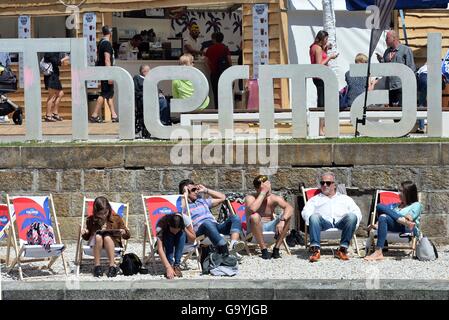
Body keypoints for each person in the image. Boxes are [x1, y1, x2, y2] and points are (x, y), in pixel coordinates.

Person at [301, 172, 362, 262]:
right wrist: (313, 221)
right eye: (322, 183)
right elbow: (306, 212)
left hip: (341, 222)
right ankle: (316, 250)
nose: (325, 185)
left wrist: (353, 225)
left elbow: (357, 212)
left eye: (328, 183)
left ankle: (342, 250)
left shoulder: (345, 198)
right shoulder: (315, 199)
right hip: (324, 223)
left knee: (352, 216)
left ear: (334, 185)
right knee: (313, 217)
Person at [179, 179, 245, 257]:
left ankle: (233, 245)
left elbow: (223, 197)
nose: (196, 191)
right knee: (207, 223)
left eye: (196, 189)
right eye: (193, 190)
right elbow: (179, 211)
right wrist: (184, 196)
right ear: (185, 191)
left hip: (215, 226)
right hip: (200, 231)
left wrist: (206, 190)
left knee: (235, 217)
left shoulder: (202, 201)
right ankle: (224, 251)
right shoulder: (183, 204)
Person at [364, 181, 422, 261]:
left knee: (384, 215)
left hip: (408, 229)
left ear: (409, 193)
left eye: (402, 191)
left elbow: (409, 218)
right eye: (399, 190)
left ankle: (378, 252)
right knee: (380, 208)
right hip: (401, 225)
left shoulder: (416, 205)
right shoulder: (396, 205)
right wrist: (377, 224)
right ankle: (378, 252)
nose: (399, 193)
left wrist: (404, 220)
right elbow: (381, 208)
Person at [245, 175, 293, 259]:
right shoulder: (250, 197)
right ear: (257, 189)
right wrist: (263, 193)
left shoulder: (273, 198)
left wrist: (282, 220)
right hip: (253, 231)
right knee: (255, 216)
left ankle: (276, 249)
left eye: (268, 186)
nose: (268, 189)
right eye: (265, 188)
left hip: (270, 227)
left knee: (287, 215)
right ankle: (264, 250)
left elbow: (290, 208)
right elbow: (253, 209)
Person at [81, 196, 130, 277]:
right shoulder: (91, 220)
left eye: (105, 212)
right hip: (96, 243)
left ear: (109, 209)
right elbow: (87, 237)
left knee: (107, 236)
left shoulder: (116, 218)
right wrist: (85, 232)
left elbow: (127, 236)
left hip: (112, 244)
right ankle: (97, 266)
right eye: (100, 214)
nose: (103, 215)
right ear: (96, 212)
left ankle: (112, 266)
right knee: (98, 236)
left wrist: (123, 232)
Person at [309, 30, 339, 135]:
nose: (326, 41)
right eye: (326, 39)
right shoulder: (317, 48)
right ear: (322, 39)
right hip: (320, 77)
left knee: (323, 102)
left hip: (318, 77)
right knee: (322, 103)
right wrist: (330, 57)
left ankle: (321, 128)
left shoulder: (314, 47)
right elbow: (319, 65)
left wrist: (325, 49)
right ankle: (320, 129)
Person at [376, 30, 416, 107]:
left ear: (394, 38)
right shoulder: (387, 51)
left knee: (401, 111)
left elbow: (411, 69)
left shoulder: (406, 50)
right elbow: (385, 69)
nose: (385, 40)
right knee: (393, 113)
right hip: (389, 87)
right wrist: (381, 60)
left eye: (387, 38)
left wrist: (409, 87)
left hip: (401, 87)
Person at [89, 26, 119, 123]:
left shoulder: (101, 43)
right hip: (106, 72)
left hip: (103, 72)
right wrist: (110, 75)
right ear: (110, 33)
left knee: (109, 94)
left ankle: (114, 115)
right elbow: (107, 59)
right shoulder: (107, 44)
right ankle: (94, 115)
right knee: (105, 93)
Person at [133, 65, 171, 138]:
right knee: (162, 102)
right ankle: (164, 124)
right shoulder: (137, 78)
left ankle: (164, 124)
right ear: (143, 72)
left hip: (155, 99)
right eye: (148, 70)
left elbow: (158, 90)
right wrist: (151, 94)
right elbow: (136, 92)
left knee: (165, 101)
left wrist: (160, 94)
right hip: (145, 100)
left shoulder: (151, 79)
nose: (150, 72)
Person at [156, 213, 196, 279]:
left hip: (181, 240)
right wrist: (168, 267)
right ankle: (170, 264)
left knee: (182, 234)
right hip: (166, 240)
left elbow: (193, 238)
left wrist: (184, 228)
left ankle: (177, 265)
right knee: (169, 235)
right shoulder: (162, 224)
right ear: (169, 225)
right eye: (173, 230)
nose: (175, 232)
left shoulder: (185, 219)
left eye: (177, 230)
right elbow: (160, 248)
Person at [204, 32, 232, 109]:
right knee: (225, 93)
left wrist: (210, 70)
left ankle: (217, 110)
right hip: (224, 74)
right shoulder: (225, 48)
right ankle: (225, 109)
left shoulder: (210, 49)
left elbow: (206, 61)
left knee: (216, 93)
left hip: (214, 74)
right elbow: (229, 60)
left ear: (214, 39)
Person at [42, 52, 70, 122]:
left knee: (60, 94)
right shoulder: (50, 52)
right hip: (51, 77)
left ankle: (55, 113)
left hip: (54, 76)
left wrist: (62, 61)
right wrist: (65, 58)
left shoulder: (53, 52)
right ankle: (48, 115)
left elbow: (58, 63)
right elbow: (56, 62)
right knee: (51, 96)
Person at [0, 51, 12, 123]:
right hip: (3, 72)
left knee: (3, 94)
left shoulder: (5, 50)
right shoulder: (5, 50)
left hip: (2, 72)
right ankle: (3, 115)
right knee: (3, 93)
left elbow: (8, 63)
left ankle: (3, 115)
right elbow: (8, 63)